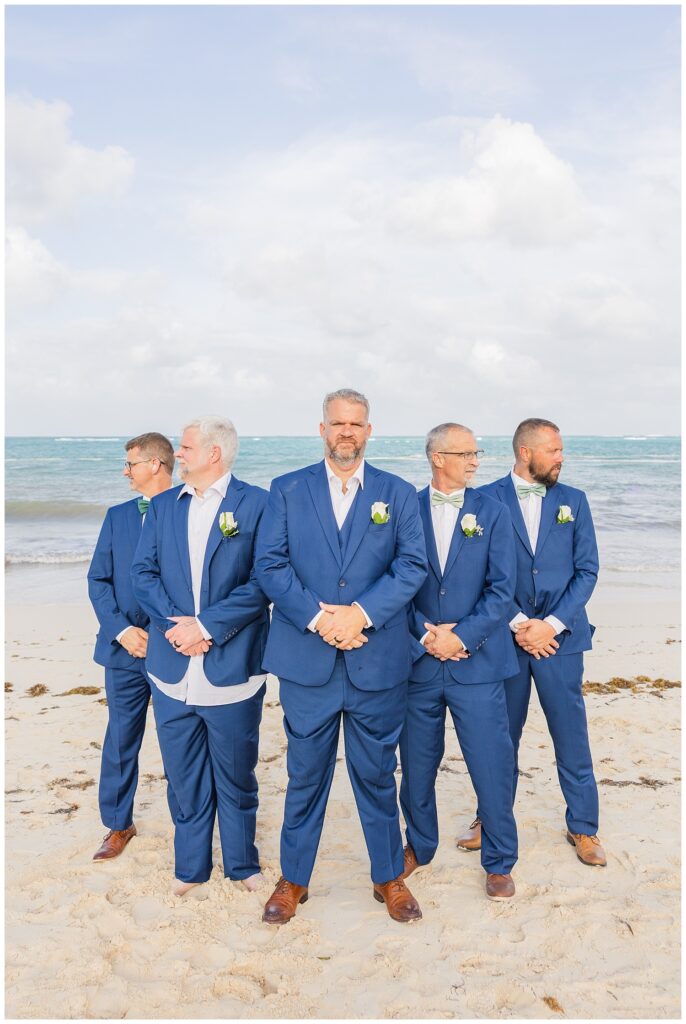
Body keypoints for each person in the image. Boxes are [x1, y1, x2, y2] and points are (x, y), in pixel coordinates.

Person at [255, 388, 428, 924]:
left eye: (356, 423)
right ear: (322, 429)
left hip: (376, 659)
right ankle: (294, 879)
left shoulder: (398, 493)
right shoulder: (287, 489)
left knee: (376, 774)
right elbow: (270, 565)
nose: (346, 432)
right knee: (305, 774)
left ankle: (388, 876)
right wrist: (321, 620)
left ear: (369, 431)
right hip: (307, 661)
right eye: (337, 423)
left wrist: (360, 615)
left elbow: (412, 566)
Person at [456, 418, 606, 867]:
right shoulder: (484, 500)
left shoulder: (574, 501)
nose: (561, 457)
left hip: (562, 641)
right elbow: (477, 574)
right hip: (505, 640)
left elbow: (587, 571)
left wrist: (552, 624)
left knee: (571, 734)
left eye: (561, 450)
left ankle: (584, 826)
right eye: (553, 450)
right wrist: (521, 624)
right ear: (525, 452)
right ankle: (489, 819)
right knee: (500, 737)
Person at [131, 417, 270, 895]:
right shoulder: (163, 505)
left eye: (186, 447)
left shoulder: (258, 504)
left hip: (232, 665)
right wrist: (176, 627)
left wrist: (206, 626)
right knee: (183, 775)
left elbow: (263, 580)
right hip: (171, 668)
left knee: (236, 774)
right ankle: (190, 867)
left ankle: (242, 864)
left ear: (214, 453)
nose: (178, 454)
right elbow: (143, 573)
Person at [399, 423, 519, 900]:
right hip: (419, 662)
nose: (474, 461)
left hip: (478, 664)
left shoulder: (494, 511)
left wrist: (462, 636)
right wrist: (425, 634)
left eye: (476, 453)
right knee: (416, 765)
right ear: (437, 457)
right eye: (465, 453)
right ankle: (419, 846)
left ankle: (500, 859)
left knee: (492, 763)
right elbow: (392, 582)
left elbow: (502, 589)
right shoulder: (404, 507)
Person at [88, 431, 175, 861]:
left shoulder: (188, 509)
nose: (125, 472)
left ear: (155, 464)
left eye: (131, 464)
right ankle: (118, 824)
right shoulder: (117, 516)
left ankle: (189, 825)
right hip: (123, 649)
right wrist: (122, 630)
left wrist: (164, 634)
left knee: (179, 740)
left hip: (174, 647)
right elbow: (98, 579)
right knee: (121, 738)